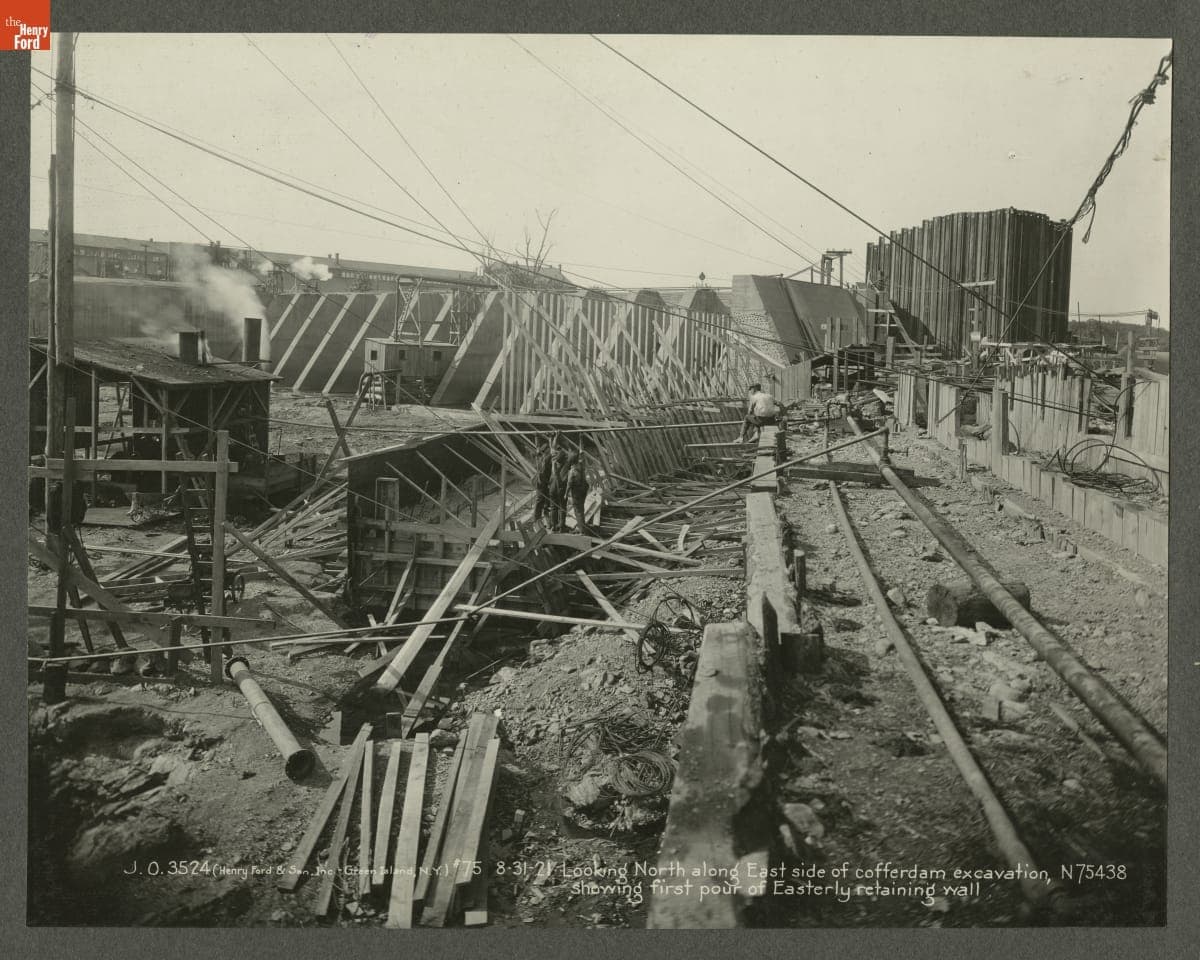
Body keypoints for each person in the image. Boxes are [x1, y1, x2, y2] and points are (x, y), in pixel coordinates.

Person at [548, 442, 572, 532]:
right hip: (560, 489)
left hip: (552, 489)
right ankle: (562, 526)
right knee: (562, 508)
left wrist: (556, 439)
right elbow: (571, 455)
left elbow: (552, 449)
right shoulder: (566, 465)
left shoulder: (554, 464)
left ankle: (553, 526)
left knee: (553, 507)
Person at [533, 435, 556, 525]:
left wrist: (536, 437)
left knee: (543, 500)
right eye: (548, 449)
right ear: (546, 450)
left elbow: (537, 448)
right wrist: (552, 440)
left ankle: (541, 517)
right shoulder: (546, 459)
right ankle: (537, 518)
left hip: (541, 482)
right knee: (540, 500)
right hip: (543, 482)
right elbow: (552, 451)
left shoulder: (539, 457)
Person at [566, 450, 589, 533]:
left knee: (577, 511)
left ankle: (581, 530)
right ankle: (582, 526)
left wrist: (565, 494)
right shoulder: (581, 465)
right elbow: (582, 457)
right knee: (581, 509)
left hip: (577, 492)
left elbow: (569, 484)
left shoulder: (572, 472)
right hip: (584, 489)